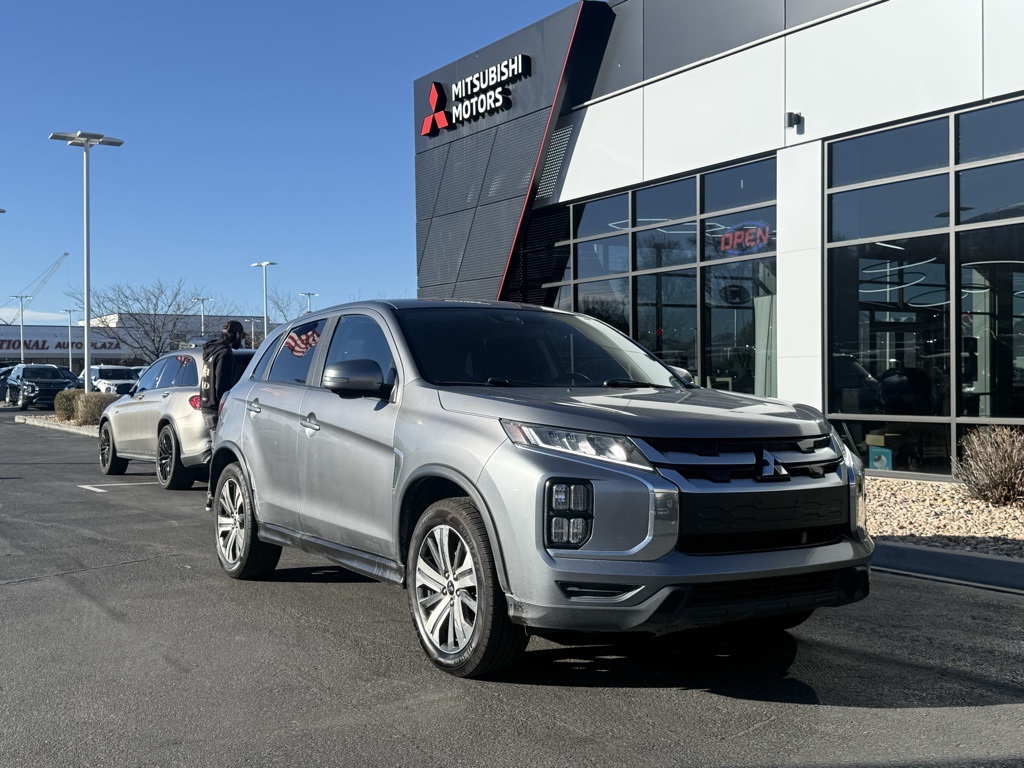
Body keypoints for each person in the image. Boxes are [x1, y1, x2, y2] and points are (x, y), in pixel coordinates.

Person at [200, 320, 246, 511]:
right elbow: (222, 387)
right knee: (220, 454)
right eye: (241, 336)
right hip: (216, 410)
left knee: (215, 451)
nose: (241, 341)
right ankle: (213, 497)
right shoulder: (225, 354)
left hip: (206, 407)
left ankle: (212, 495)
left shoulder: (211, 352)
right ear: (235, 335)